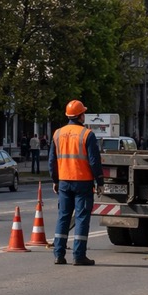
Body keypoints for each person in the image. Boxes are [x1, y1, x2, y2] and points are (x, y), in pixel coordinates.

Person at [49, 99, 104, 267]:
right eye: (83, 113)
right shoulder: (87, 134)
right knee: (81, 218)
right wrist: (100, 181)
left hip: (64, 181)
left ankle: (59, 255)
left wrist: (55, 180)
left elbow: (52, 161)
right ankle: (79, 256)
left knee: (63, 217)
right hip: (83, 183)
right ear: (80, 116)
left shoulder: (57, 133)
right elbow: (94, 161)